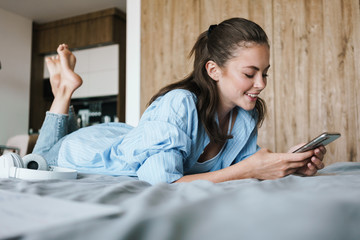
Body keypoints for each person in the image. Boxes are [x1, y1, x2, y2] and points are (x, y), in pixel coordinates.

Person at [33, 18, 326, 185]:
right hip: (85, 151)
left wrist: (289, 163)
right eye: (250, 73)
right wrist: (252, 169)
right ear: (213, 70)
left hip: (124, 137)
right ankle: (63, 89)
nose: (261, 84)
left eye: (264, 73)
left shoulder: (245, 116)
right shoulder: (180, 104)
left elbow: (242, 168)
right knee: (40, 155)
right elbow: (164, 184)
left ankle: (63, 87)